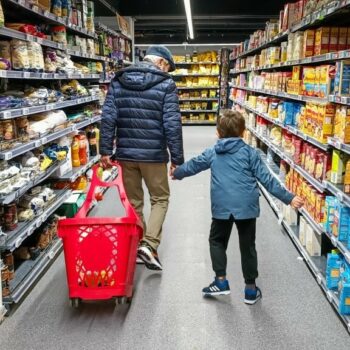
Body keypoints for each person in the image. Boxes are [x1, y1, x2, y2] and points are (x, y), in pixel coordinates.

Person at [172, 109, 304, 304]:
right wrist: (289, 198)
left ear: (217, 133)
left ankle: (221, 281)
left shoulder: (213, 152)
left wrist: (178, 172)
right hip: (246, 207)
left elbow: (195, 164)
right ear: (243, 132)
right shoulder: (250, 153)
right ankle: (250, 290)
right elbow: (267, 179)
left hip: (222, 207)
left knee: (217, 241)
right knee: (248, 246)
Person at [99, 45, 184, 271]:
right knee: (160, 198)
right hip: (154, 155)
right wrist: (177, 159)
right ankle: (149, 244)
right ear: (162, 63)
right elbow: (172, 125)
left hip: (126, 154)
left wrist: (105, 150)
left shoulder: (118, 81)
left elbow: (108, 118)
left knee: (133, 201)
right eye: (168, 67)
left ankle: (138, 242)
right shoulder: (166, 84)